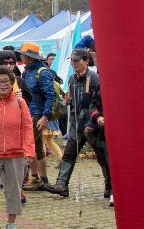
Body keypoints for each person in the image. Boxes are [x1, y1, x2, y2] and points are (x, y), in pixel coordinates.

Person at [47, 49, 110, 199]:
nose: (73, 63)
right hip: (76, 125)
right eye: (72, 61)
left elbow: (96, 104)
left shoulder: (94, 79)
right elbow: (74, 102)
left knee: (103, 157)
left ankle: (110, 187)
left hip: (92, 126)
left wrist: (91, 123)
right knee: (68, 155)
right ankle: (61, 184)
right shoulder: (72, 79)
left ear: (86, 61)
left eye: (77, 60)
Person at [0, 66, 35, 229]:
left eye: (7, 81)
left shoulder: (20, 102)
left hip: (16, 153)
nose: (3, 85)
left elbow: (27, 127)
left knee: (14, 189)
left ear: (12, 83)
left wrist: (29, 150)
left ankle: (11, 223)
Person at [18, 42, 58, 191]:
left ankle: (34, 179)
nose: (21, 56)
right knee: (37, 147)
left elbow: (50, 96)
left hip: (37, 115)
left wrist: (45, 116)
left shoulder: (43, 72)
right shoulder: (26, 72)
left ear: (29, 57)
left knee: (28, 145)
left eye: (23, 54)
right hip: (29, 113)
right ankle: (43, 180)